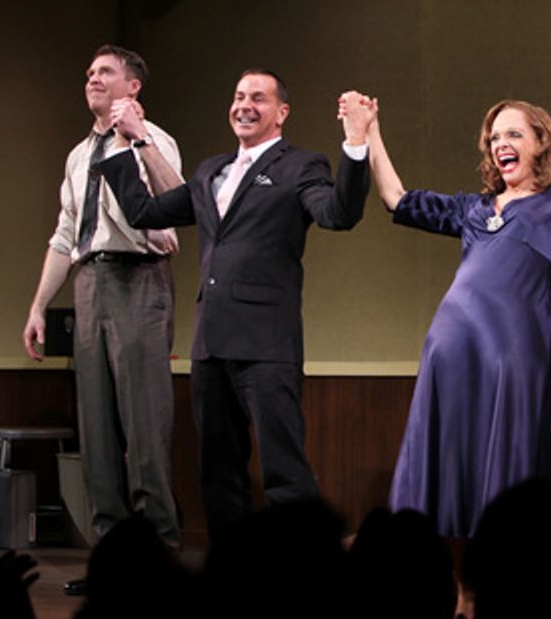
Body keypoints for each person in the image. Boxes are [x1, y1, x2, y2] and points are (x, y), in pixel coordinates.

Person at [341, 92, 551, 538]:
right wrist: (371, 130)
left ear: (541, 143)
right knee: (446, 457)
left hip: (510, 350)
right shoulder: (475, 209)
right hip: (448, 349)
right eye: (494, 137)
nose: (500, 142)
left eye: (514, 134)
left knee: (505, 461)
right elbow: (396, 198)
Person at [98, 70, 371, 541]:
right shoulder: (211, 171)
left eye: (258, 98)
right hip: (210, 344)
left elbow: (339, 215)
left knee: (284, 467)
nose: (245, 105)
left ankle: (309, 574)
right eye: (239, 96)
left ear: (281, 112)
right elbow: (146, 213)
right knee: (219, 473)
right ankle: (234, 580)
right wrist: (124, 146)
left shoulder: (300, 166)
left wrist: (355, 143)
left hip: (267, 343)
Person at [22, 45, 183, 582]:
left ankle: (156, 553)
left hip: (139, 278)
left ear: (132, 86)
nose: (92, 78)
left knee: (144, 426)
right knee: (96, 430)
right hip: (90, 283)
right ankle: (110, 559)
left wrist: (133, 137)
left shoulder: (153, 140)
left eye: (105, 72)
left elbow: (177, 201)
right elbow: (66, 235)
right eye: (89, 71)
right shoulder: (77, 156)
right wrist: (40, 305)